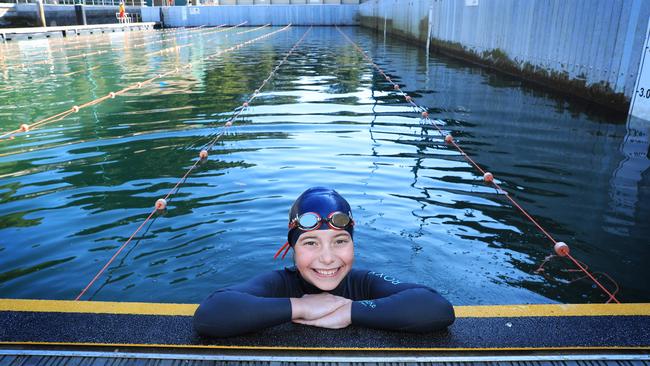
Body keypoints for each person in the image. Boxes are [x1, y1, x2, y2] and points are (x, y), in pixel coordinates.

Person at [193, 187, 455, 338]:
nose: (328, 258)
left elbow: (435, 307)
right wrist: (301, 307)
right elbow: (211, 315)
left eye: (340, 241)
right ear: (292, 247)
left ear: (353, 244)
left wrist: (350, 311)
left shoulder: (362, 282)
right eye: (310, 243)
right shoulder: (278, 284)